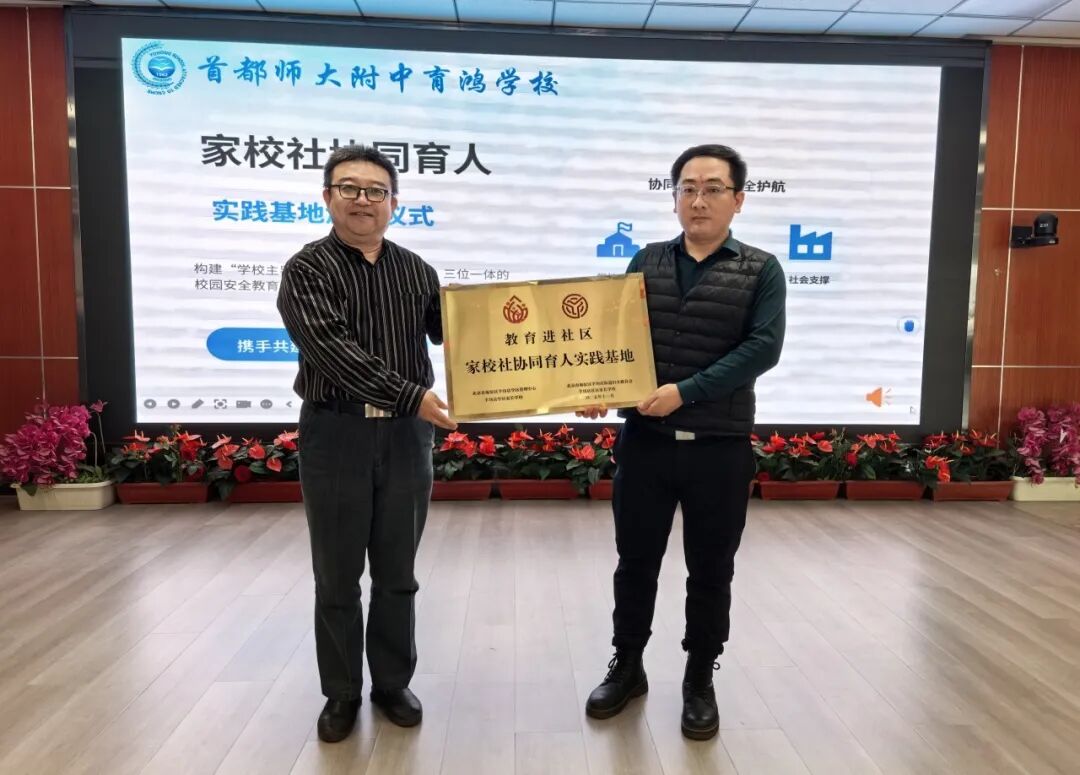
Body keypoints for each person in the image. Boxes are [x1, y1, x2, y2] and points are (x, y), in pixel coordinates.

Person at [579, 144, 786, 740]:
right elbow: (617, 337)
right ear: (673, 197)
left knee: (711, 568)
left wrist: (686, 392)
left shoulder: (762, 269)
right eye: (687, 188)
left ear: (738, 200)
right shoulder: (645, 260)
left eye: (713, 188)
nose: (698, 200)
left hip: (720, 448)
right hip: (646, 443)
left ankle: (699, 677)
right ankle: (628, 665)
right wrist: (597, 386)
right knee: (635, 562)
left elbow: (762, 349)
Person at [277, 144, 456, 743]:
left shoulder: (417, 270)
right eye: (349, 188)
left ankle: (391, 683)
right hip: (337, 433)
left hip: (407, 438)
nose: (363, 200)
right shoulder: (307, 270)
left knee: (398, 570)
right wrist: (411, 395)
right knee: (336, 575)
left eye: (376, 191)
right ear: (327, 197)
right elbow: (334, 352)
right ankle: (341, 692)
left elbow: (459, 335)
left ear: (393, 203)